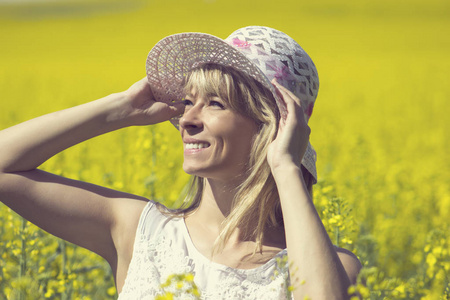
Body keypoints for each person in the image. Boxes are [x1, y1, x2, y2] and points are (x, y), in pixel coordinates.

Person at [0, 26, 361, 299]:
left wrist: (285, 167)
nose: (187, 119)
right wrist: (119, 108)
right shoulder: (139, 232)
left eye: (215, 104)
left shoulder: (333, 267)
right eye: (189, 102)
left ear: (272, 127)